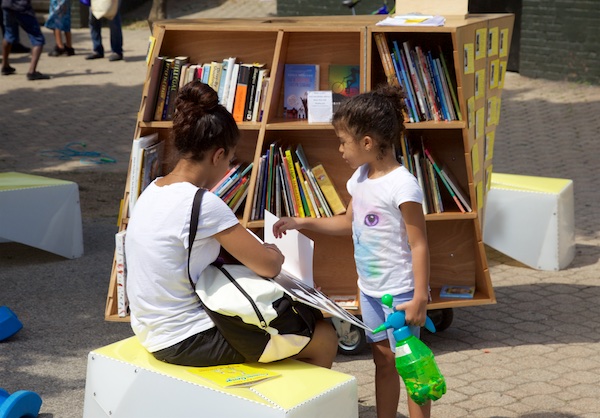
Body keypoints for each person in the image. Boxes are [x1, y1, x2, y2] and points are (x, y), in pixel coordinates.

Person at [125, 80, 338, 369]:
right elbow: (269, 266)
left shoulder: (151, 191)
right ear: (217, 155)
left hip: (151, 329)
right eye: (230, 159)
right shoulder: (203, 205)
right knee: (324, 335)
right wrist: (273, 250)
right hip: (187, 338)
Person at [273, 84, 432, 418]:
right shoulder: (359, 178)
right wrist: (303, 222)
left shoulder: (403, 186)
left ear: (367, 143)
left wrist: (419, 297)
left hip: (399, 292)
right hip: (370, 291)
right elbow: (349, 223)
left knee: (411, 366)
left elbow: (419, 244)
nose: (340, 149)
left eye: (343, 141)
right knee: (382, 360)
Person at [1, 0, 50, 80]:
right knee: (38, 38)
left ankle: (5, 65)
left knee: (8, 35)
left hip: (7, 5)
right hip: (21, 6)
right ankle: (32, 72)